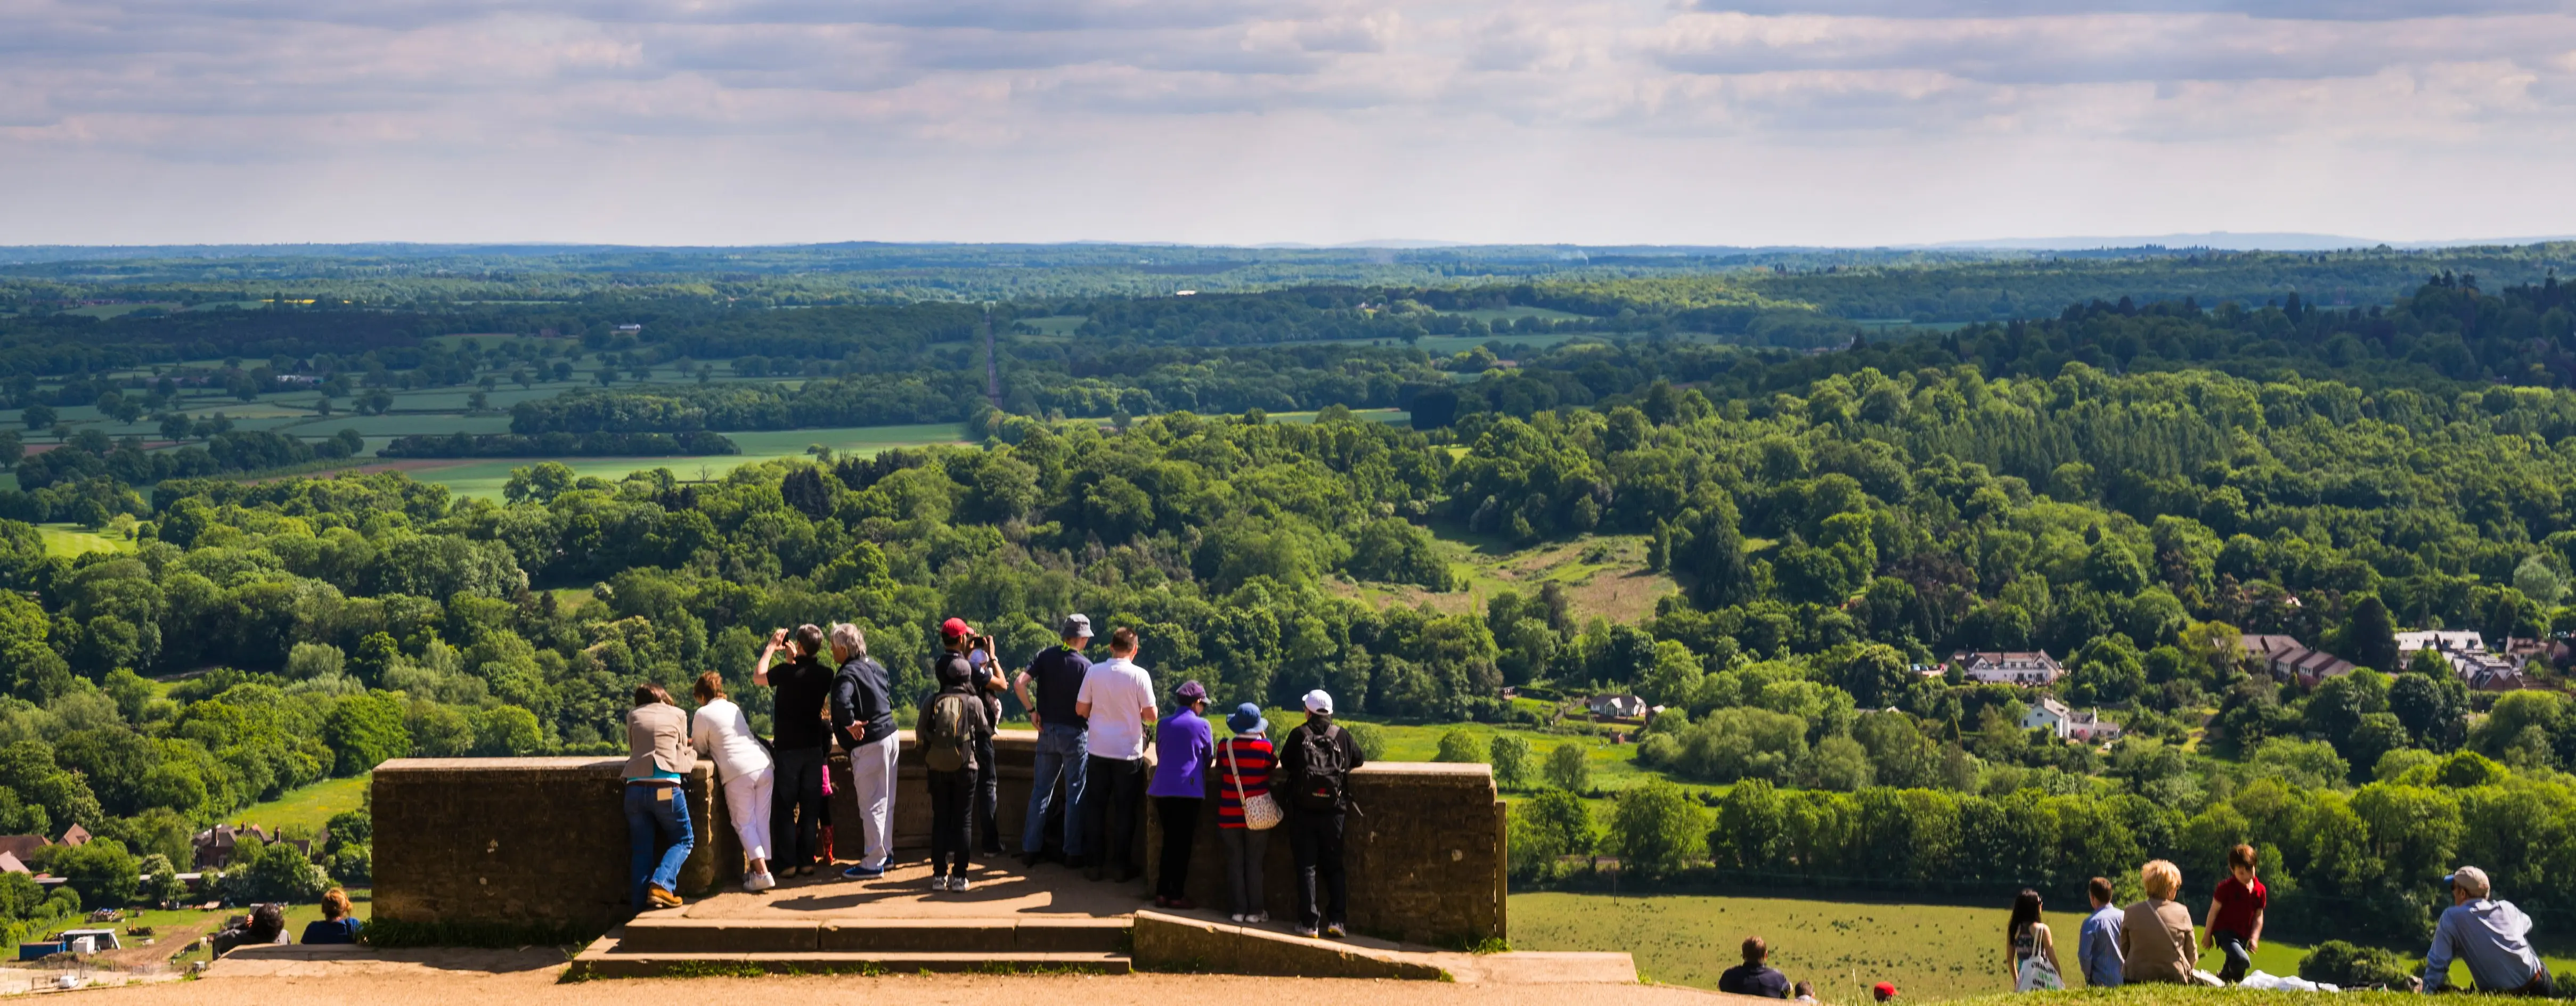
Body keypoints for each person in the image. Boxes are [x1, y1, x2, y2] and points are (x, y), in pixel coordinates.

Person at [1279, 688, 1365, 939]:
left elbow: (1286, 763)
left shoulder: (1299, 735)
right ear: (1330, 712)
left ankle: (1309, 923)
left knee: (1307, 866)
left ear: (1309, 711)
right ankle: (1337, 920)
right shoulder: (1342, 735)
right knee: (1335, 866)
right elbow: (1359, 759)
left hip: (1304, 810)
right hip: (1334, 811)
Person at [1074, 626, 1156, 883]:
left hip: (1098, 749)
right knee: (1125, 811)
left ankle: (1094, 865)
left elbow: (1081, 710)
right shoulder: (1140, 675)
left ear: (1111, 647)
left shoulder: (1094, 672)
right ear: (1135, 650)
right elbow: (1152, 716)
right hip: (1127, 753)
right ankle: (1120, 866)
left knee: (1095, 808)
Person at [1014, 614, 1093, 868]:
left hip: (1046, 730)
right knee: (1075, 793)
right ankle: (1072, 853)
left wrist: (1031, 711)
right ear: (1082, 638)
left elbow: (1019, 684)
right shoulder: (1086, 667)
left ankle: (1030, 849)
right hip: (1075, 734)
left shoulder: (1045, 656)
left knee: (1041, 791)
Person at [755, 624, 834, 877]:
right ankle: (807, 861)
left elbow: (759, 676)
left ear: (799, 646)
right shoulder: (826, 674)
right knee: (810, 809)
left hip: (788, 749)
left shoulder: (785, 673)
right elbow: (804, 679)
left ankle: (787, 863)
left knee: (786, 807)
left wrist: (771, 647)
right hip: (813, 748)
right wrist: (794, 661)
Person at [918, 643, 994, 891]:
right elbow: (984, 728)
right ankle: (960, 877)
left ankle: (939, 876)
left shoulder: (932, 701)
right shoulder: (973, 701)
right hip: (966, 765)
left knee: (941, 819)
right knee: (964, 821)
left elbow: (920, 732)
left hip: (937, 768)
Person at [689, 672, 776, 892]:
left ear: (702, 696)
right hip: (763, 763)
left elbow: (700, 747)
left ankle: (762, 874)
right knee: (761, 821)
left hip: (738, 771)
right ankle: (760, 870)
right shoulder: (733, 707)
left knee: (744, 823)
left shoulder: (702, 713)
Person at [827, 623, 900, 880]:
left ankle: (872, 863)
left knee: (871, 805)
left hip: (870, 742)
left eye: (833, 647)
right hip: (890, 734)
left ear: (843, 649)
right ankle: (886, 854)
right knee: (886, 801)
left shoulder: (846, 674)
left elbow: (841, 701)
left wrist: (849, 723)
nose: (831, 651)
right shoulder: (875, 666)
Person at [2420, 865, 2553, 995]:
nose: (2452, 893)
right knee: (2520, 935)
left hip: (2503, 994)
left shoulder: (2451, 917)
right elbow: (2528, 924)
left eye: (2453, 887)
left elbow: (2438, 962)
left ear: (2463, 893)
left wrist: (2427, 991)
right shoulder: (2506, 908)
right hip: (2540, 984)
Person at [624, 682, 697, 909]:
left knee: (641, 850)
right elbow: (681, 748)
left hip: (635, 790)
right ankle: (661, 884)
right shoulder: (678, 714)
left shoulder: (633, 715)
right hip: (665, 791)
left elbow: (633, 747)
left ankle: (639, 910)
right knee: (684, 839)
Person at [1148, 680, 1216, 910]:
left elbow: (1161, 752)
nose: (1203, 709)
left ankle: (1161, 892)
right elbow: (1208, 758)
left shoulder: (1163, 724)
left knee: (1169, 841)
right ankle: (1176, 894)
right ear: (1196, 703)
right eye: (1203, 705)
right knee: (1183, 844)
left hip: (1163, 789)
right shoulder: (1203, 726)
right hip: (1189, 790)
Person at [950, 617, 1009, 857]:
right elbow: (1003, 685)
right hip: (980, 735)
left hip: (956, 733)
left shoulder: (948, 667)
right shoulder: (974, 670)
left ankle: (953, 845)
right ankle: (990, 844)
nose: (973, 642)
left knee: (957, 790)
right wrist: (992, 657)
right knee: (987, 787)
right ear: (962, 640)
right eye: (970, 638)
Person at [1216, 702, 1277, 923]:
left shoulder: (1225, 747)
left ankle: (1238, 910)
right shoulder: (1266, 747)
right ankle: (1256, 911)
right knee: (1254, 863)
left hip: (1229, 814)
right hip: (1258, 816)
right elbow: (1272, 765)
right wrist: (1263, 738)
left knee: (1235, 863)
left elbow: (1220, 767)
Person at [2119, 859, 2197, 985]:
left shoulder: (2131, 911)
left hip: (2136, 976)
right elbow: (2191, 954)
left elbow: (2124, 950)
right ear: (2169, 889)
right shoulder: (2182, 912)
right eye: (2176, 887)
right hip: (2174, 976)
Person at [2202, 843, 2266, 984]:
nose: (2247, 876)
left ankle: (2223, 979)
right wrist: (2207, 935)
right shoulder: (2225, 888)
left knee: (2237, 975)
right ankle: (2225, 977)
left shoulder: (2260, 891)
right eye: (2241, 873)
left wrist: (2254, 938)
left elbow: (2258, 917)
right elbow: (2213, 912)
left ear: (2255, 866)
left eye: (2250, 870)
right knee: (2242, 960)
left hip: (2243, 935)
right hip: (2225, 932)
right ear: (2232, 870)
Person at [2007, 888, 2065, 991]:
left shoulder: (2013, 929)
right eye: (2040, 902)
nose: (2041, 904)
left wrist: (2017, 981)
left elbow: (2010, 959)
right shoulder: (2042, 930)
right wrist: (2059, 979)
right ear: (2033, 907)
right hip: (2041, 978)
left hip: (2024, 981)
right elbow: (2052, 957)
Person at [2076, 875, 2125, 989]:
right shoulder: (2124, 916)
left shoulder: (2091, 922)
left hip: (2100, 983)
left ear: (2092, 897)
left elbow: (2084, 956)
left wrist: (2089, 976)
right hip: (2124, 981)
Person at [1716, 936, 1790, 998]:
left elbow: (1720, 987)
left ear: (1743, 955)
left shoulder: (1730, 976)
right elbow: (1788, 990)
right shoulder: (1778, 978)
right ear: (1766, 955)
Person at [299, 888, 363, 945]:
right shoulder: (353, 925)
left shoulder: (313, 929)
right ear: (345, 908)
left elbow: (301, 951)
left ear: (324, 909)